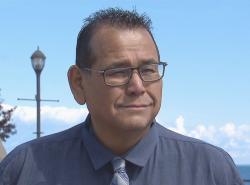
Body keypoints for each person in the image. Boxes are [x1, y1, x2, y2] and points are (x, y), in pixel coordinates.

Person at [0, 8, 243, 185]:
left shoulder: (211, 171)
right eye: (118, 72)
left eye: (149, 70)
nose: (137, 86)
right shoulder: (24, 170)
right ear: (78, 83)